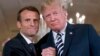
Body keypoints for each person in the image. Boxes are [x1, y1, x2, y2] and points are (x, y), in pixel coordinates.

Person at [36, 0, 100, 56]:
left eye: (55, 13)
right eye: (48, 15)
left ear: (65, 13)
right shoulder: (41, 44)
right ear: (44, 20)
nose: (52, 18)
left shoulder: (86, 31)